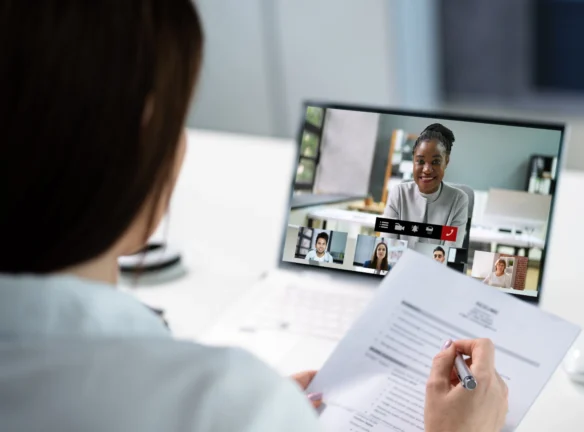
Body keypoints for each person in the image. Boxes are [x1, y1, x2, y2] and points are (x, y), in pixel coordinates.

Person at [0, 2, 507, 431]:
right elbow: (395, 245)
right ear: (142, 137)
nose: (422, 169)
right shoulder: (220, 403)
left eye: (433, 162)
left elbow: (441, 247)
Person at [383, 124, 469, 248]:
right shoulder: (398, 193)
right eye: (421, 161)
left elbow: (449, 255)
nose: (427, 170)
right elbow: (388, 249)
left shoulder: (458, 200)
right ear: (413, 160)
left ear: (446, 162)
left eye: (435, 162)